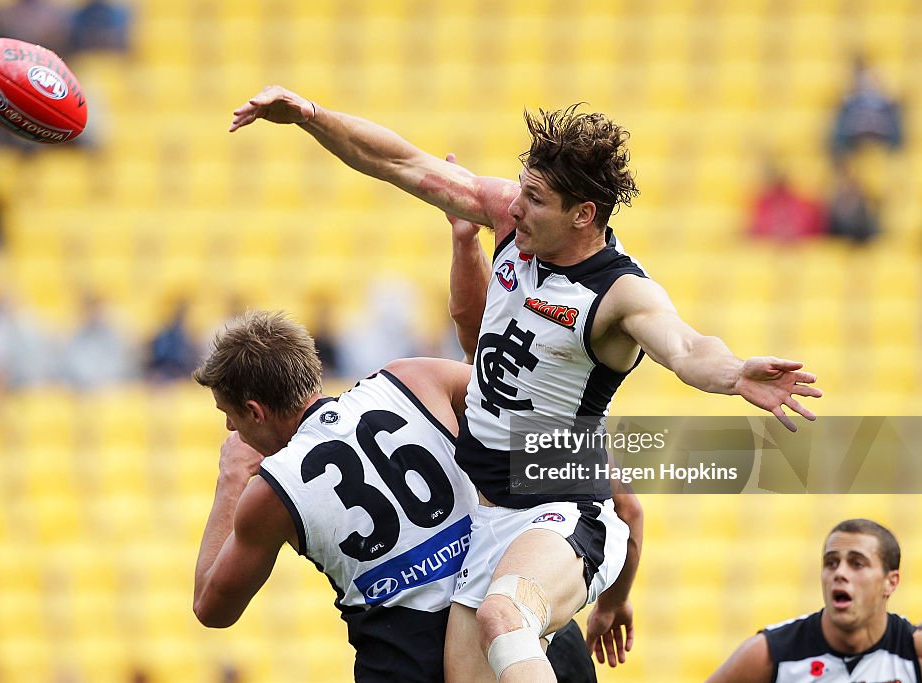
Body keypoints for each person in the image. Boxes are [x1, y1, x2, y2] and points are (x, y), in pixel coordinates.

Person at [229, 86, 823, 682]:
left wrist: (734, 373)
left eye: (535, 199)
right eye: (522, 189)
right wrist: (309, 116)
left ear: (583, 214)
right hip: (491, 521)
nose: (515, 208)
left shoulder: (620, 294)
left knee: (503, 617)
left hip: (564, 505)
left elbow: (687, 346)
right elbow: (402, 163)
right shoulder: (513, 224)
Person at [191, 310, 641, 682]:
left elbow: (211, 608)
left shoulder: (272, 490)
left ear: (254, 410)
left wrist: (231, 478)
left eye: (229, 415)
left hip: (408, 659)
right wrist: (620, 504)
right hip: (522, 628)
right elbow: (545, 424)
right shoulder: (415, 377)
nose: (232, 429)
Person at [706, 519, 921, 683]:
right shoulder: (770, 653)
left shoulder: (914, 653)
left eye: (857, 564)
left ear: (890, 582)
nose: (839, 573)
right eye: (831, 563)